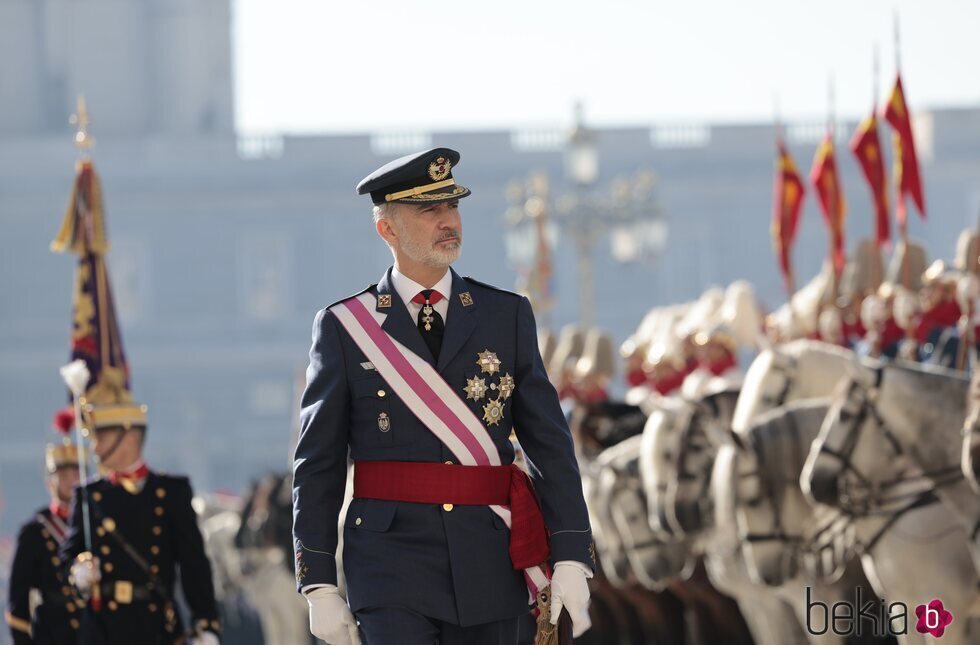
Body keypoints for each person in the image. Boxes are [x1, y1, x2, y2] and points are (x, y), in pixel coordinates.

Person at [292, 148, 594, 645]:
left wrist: (570, 554)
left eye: (452, 206)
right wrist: (319, 582)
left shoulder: (506, 315)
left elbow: (549, 444)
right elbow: (318, 462)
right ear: (386, 229)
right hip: (389, 564)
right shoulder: (346, 327)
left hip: (492, 554)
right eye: (428, 210)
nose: (448, 220)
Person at [61, 400, 222, 644]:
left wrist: (206, 623)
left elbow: (193, 564)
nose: (94, 449)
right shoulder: (88, 495)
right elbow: (67, 557)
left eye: (100, 439)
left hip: (157, 626)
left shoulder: (171, 492)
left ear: (128, 439)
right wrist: (78, 570)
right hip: (104, 629)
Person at [5, 411, 85, 644]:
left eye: (76, 473)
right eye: (64, 474)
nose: (71, 481)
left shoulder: (95, 527)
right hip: (51, 633)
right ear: (50, 481)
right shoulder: (34, 532)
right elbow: (18, 602)